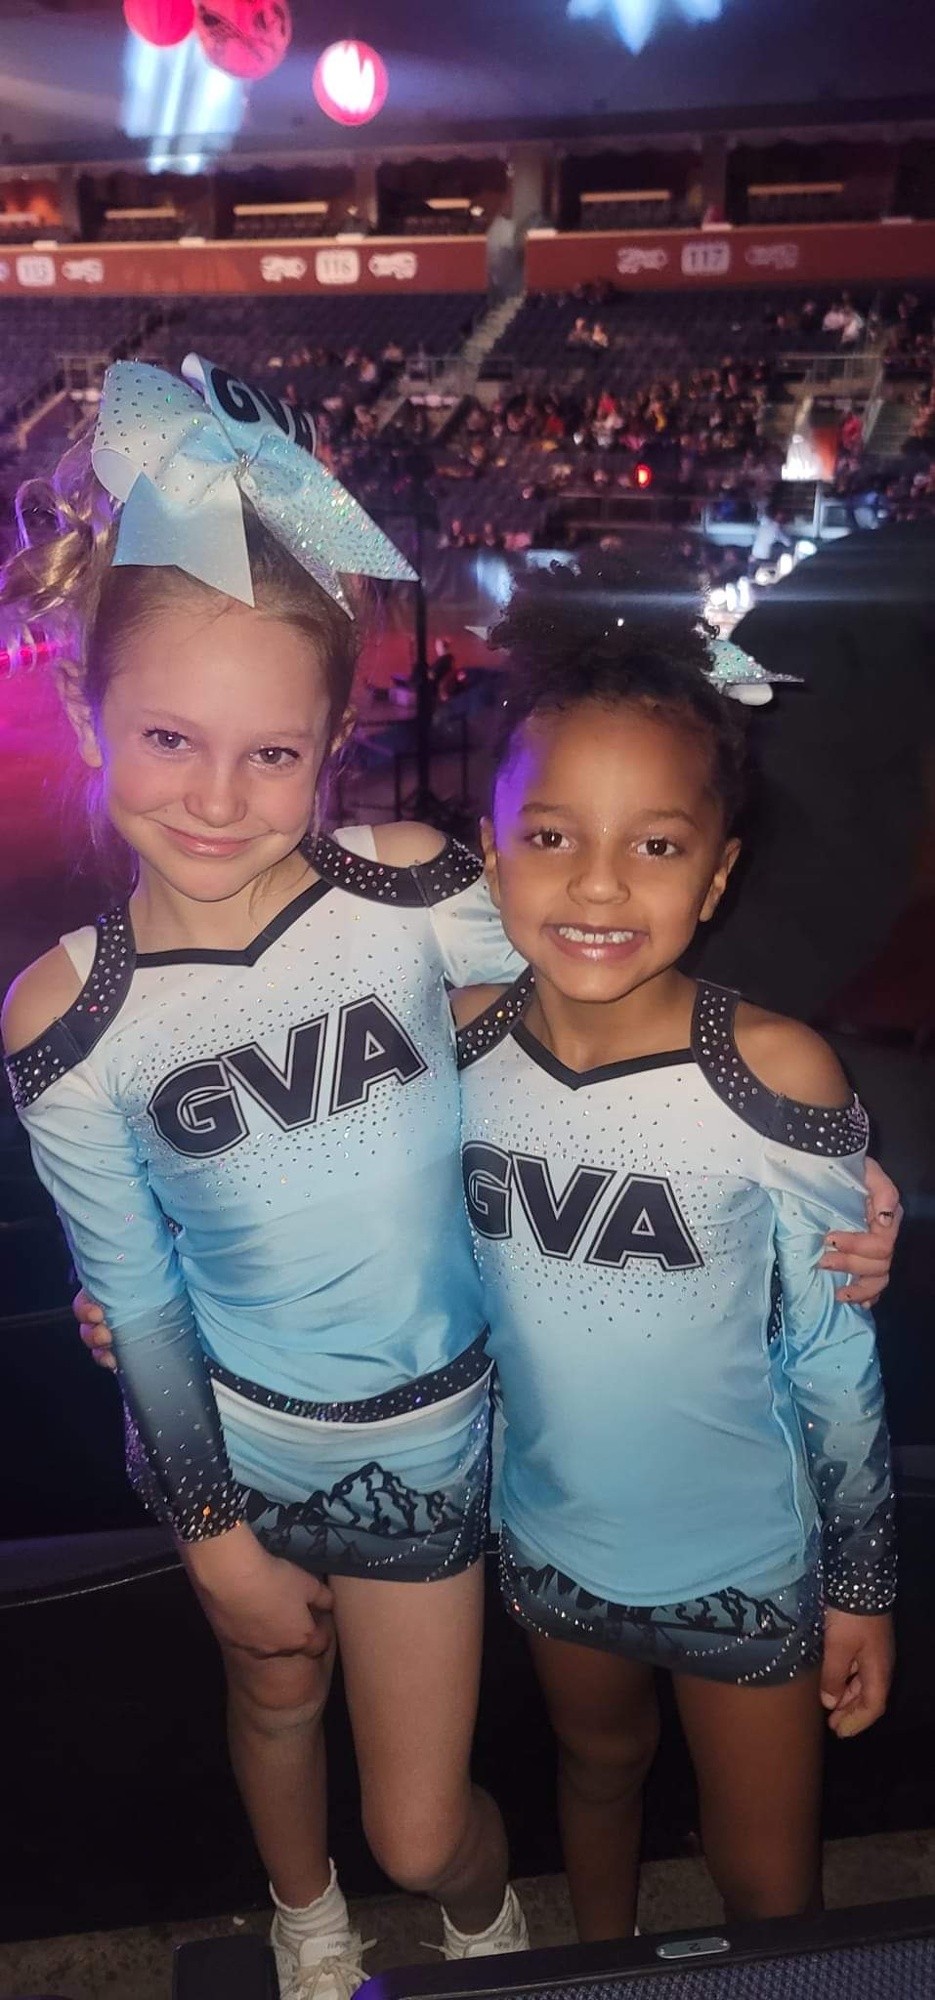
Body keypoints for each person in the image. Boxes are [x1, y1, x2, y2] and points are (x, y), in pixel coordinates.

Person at [1, 355, 530, 2000]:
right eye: (170, 738)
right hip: (228, 1441)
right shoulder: (65, 1014)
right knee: (273, 1698)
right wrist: (215, 1534)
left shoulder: (409, 889)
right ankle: (304, 1926)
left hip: (425, 1431)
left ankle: (480, 1916)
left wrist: (805, 1167)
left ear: (333, 745)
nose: (219, 802)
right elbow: (137, 1295)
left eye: (272, 755)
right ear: (87, 715)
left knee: (423, 1827)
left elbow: (597, 1025)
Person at [451, 558, 897, 1943]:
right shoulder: (451, 1043)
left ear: (719, 874)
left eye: (655, 845)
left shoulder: (774, 1069)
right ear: (490, 850)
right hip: (551, 1539)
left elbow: (833, 1357)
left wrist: (863, 1587)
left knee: (771, 1889)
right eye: (552, 835)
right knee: (595, 1777)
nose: (597, 883)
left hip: (744, 1562)